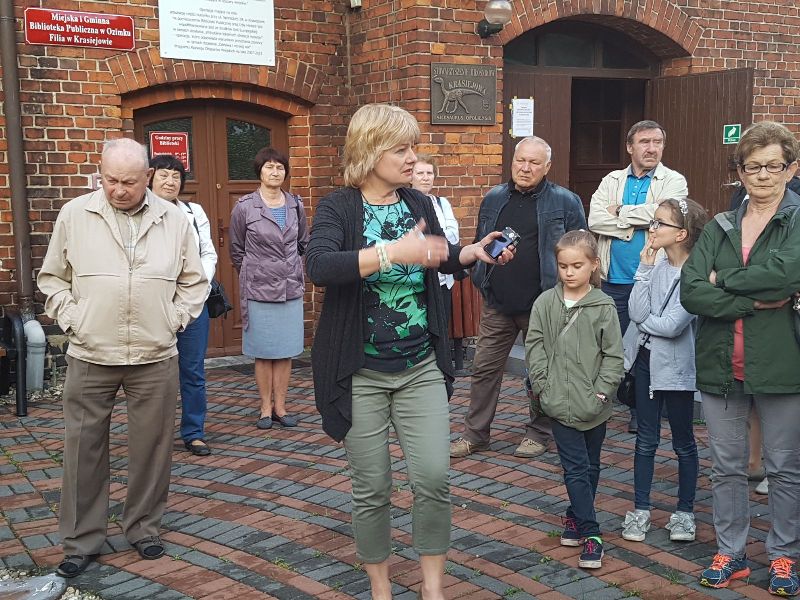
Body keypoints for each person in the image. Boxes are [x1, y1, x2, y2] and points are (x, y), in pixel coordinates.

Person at [305, 103, 514, 600]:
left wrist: (470, 253)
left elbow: (436, 255)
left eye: (413, 148)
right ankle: (380, 588)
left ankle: (432, 589)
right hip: (360, 371)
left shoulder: (418, 202)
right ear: (370, 150)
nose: (412, 157)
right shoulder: (339, 207)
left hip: (420, 364)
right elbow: (320, 266)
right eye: (401, 149)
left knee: (434, 478)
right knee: (373, 487)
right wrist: (390, 252)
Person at [38, 138, 207, 577]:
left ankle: (144, 528)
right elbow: (52, 277)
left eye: (129, 182)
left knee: (152, 448)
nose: (118, 189)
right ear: (100, 173)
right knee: (82, 449)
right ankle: (81, 539)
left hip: (155, 353)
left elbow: (194, 281)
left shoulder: (174, 218)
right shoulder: (75, 214)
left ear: (147, 177)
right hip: (90, 352)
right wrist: (73, 319)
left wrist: (173, 319)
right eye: (110, 179)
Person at [681, 121, 800, 595]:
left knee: (784, 468)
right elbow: (692, 289)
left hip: (781, 364)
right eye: (753, 167)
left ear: (791, 169)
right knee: (726, 467)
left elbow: (786, 274)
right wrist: (753, 301)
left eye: (773, 165)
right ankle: (731, 553)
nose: (763, 175)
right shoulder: (720, 225)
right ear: (740, 172)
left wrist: (724, 281)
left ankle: (784, 556)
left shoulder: (797, 220)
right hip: (720, 365)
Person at [449, 136, 587, 459]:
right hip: (497, 302)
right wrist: (480, 279)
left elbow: (581, 250)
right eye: (520, 160)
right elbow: (480, 244)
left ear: (547, 166)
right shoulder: (494, 197)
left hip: (543, 303)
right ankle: (475, 434)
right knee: (484, 369)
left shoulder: (566, 202)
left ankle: (538, 432)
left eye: (534, 162)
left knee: (541, 373)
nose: (525, 168)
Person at [524, 230, 624, 570]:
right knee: (575, 468)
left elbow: (613, 355)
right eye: (563, 265)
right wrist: (543, 386)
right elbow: (535, 346)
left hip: (594, 404)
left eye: (577, 266)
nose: (568, 272)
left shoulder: (603, 306)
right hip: (558, 403)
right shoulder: (545, 303)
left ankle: (574, 515)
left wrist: (601, 392)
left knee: (591, 465)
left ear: (593, 265)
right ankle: (591, 533)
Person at [588, 120, 688, 434]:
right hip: (614, 279)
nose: (652, 148)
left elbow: (667, 215)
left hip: (653, 279)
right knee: (609, 344)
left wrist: (620, 212)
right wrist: (638, 222)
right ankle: (602, 402)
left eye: (657, 142)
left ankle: (638, 408)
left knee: (645, 347)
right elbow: (595, 219)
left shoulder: (674, 181)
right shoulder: (612, 180)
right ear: (630, 147)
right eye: (644, 142)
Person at [620, 198, 708, 544]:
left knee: (683, 442)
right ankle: (640, 509)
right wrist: (643, 270)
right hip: (645, 363)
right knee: (646, 439)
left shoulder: (695, 274)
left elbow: (672, 326)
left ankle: (685, 513)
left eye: (659, 223)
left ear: (681, 233)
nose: (652, 229)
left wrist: (645, 321)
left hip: (676, 369)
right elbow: (634, 310)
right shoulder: (654, 265)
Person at [229, 147, 309, 430]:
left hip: (289, 287)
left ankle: (281, 407)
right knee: (263, 351)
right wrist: (257, 271)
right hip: (259, 289)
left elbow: (302, 242)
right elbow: (237, 250)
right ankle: (265, 407)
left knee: (285, 350)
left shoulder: (295, 205)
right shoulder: (244, 207)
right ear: (259, 171)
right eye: (269, 167)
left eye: (280, 168)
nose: (275, 172)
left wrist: (290, 268)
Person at [149, 154, 217, 456]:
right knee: (154, 373)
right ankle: (155, 435)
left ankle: (193, 431)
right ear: (150, 178)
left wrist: (196, 288)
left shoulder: (193, 212)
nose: (170, 181)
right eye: (163, 175)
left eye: (176, 176)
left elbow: (208, 254)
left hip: (193, 304)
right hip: (154, 304)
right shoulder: (140, 212)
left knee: (193, 370)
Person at [411, 154, 460, 328]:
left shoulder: (441, 203)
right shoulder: (405, 204)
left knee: (441, 327)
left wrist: (430, 240)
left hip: (443, 281)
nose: (425, 178)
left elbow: (453, 236)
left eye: (429, 173)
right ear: (410, 177)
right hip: (418, 281)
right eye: (420, 173)